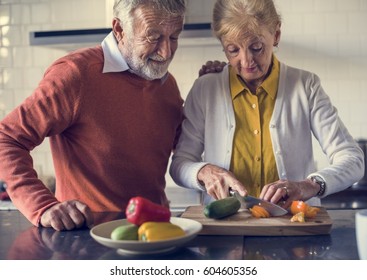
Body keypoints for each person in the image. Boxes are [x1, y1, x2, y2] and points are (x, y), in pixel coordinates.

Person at [0, 0, 186, 231]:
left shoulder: (166, 84)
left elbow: (186, 149)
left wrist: (215, 91)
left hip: (154, 232)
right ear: (119, 30)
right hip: (86, 236)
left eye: (174, 37)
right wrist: (43, 205)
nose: (166, 51)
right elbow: (6, 138)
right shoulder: (76, 74)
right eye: (153, 36)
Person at [169, 0, 364, 209]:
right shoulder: (205, 89)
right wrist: (204, 172)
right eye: (233, 50)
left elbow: (353, 160)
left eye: (256, 48)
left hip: (294, 227)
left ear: (276, 35)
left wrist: (309, 185)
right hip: (226, 227)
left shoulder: (306, 86)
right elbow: (180, 164)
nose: (246, 62)